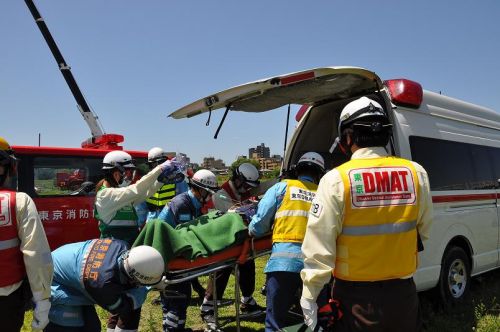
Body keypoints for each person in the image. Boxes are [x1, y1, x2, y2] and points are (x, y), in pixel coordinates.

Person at [300, 97, 433, 332]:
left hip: (355, 301)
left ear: (348, 137)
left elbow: (319, 247)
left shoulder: (336, 179)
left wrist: (309, 295)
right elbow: (424, 230)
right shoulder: (416, 173)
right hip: (404, 297)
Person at [94, 150, 179, 330]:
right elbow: (137, 189)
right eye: (126, 171)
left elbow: (143, 193)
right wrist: (160, 168)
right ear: (114, 171)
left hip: (124, 255)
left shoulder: (118, 195)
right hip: (113, 257)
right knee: (131, 306)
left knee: (120, 306)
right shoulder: (106, 195)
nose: (128, 175)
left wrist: (161, 180)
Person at [248, 152, 325, 332]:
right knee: (319, 320)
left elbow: (259, 224)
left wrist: (252, 230)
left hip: (283, 264)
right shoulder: (323, 194)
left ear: (297, 170)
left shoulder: (282, 188)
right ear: (320, 174)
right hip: (316, 266)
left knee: (275, 322)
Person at [44, 239, 165, 332]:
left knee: (92, 326)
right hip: (54, 281)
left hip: (66, 265)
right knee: (70, 325)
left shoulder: (122, 246)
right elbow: (120, 307)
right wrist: (146, 289)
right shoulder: (102, 283)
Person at [200, 162, 265, 330]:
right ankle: (208, 307)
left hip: (240, 240)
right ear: (237, 180)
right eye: (244, 185)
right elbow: (230, 219)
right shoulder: (221, 195)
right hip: (223, 241)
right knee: (221, 271)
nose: (246, 189)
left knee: (248, 266)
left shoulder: (241, 191)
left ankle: (247, 300)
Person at [0, 137, 54, 332]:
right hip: (6, 301)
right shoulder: (18, 201)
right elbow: (37, 255)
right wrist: (42, 301)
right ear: (7, 167)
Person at [157, 169, 219, 332]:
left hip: (169, 255)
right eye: (209, 193)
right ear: (201, 190)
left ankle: (175, 328)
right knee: (179, 297)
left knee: (175, 298)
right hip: (172, 257)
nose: (210, 197)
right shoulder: (183, 204)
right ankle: (171, 328)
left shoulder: (192, 203)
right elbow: (185, 235)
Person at [145, 147, 188, 221]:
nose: (156, 167)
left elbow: (185, 202)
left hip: (170, 222)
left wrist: (183, 221)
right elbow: (142, 206)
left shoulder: (177, 180)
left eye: (160, 163)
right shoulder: (147, 181)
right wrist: (141, 223)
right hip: (151, 222)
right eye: (152, 165)